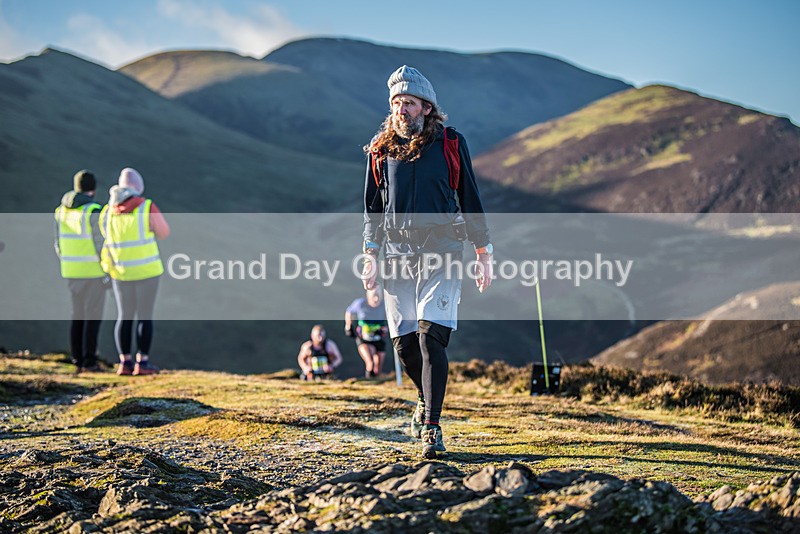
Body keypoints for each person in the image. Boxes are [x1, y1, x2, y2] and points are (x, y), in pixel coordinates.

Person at [361, 65, 494, 458]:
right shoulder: (380, 149)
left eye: (410, 102)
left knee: (430, 335)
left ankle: (432, 428)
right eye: (397, 102)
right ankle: (424, 397)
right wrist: (370, 255)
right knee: (403, 344)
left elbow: (470, 197)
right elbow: (371, 207)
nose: (402, 109)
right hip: (396, 253)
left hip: (444, 249)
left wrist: (483, 253)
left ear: (427, 107)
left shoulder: (451, 143)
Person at [100, 168, 170, 376]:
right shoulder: (146, 207)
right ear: (138, 188)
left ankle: (124, 362)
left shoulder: (107, 211)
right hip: (147, 271)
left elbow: (106, 236)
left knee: (124, 316)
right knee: (144, 317)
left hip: (120, 272)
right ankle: (143, 362)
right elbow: (164, 233)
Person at [54, 169, 107, 372]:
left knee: (77, 315)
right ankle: (90, 361)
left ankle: (77, 357)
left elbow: (58, 243)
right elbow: (100, 243)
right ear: (92, 190)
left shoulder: (61, 211)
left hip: (71, 270)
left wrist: (67, 261)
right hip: (92, 271)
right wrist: (106, 268)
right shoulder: (92, 211)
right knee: (92, 316)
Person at [345, 285, 389, 378]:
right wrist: (348, 326)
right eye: (374, 296)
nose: (376, 299)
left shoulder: (385, 305)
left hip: (378, 338)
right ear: (368, 296)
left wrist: (385, 329)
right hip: (364, 338)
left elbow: (392, 318)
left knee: (378, 368)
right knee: (370, 362)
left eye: (378, 296)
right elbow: (349, 311)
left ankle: (376, 382)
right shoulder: (360, 304)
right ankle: (369, 380)